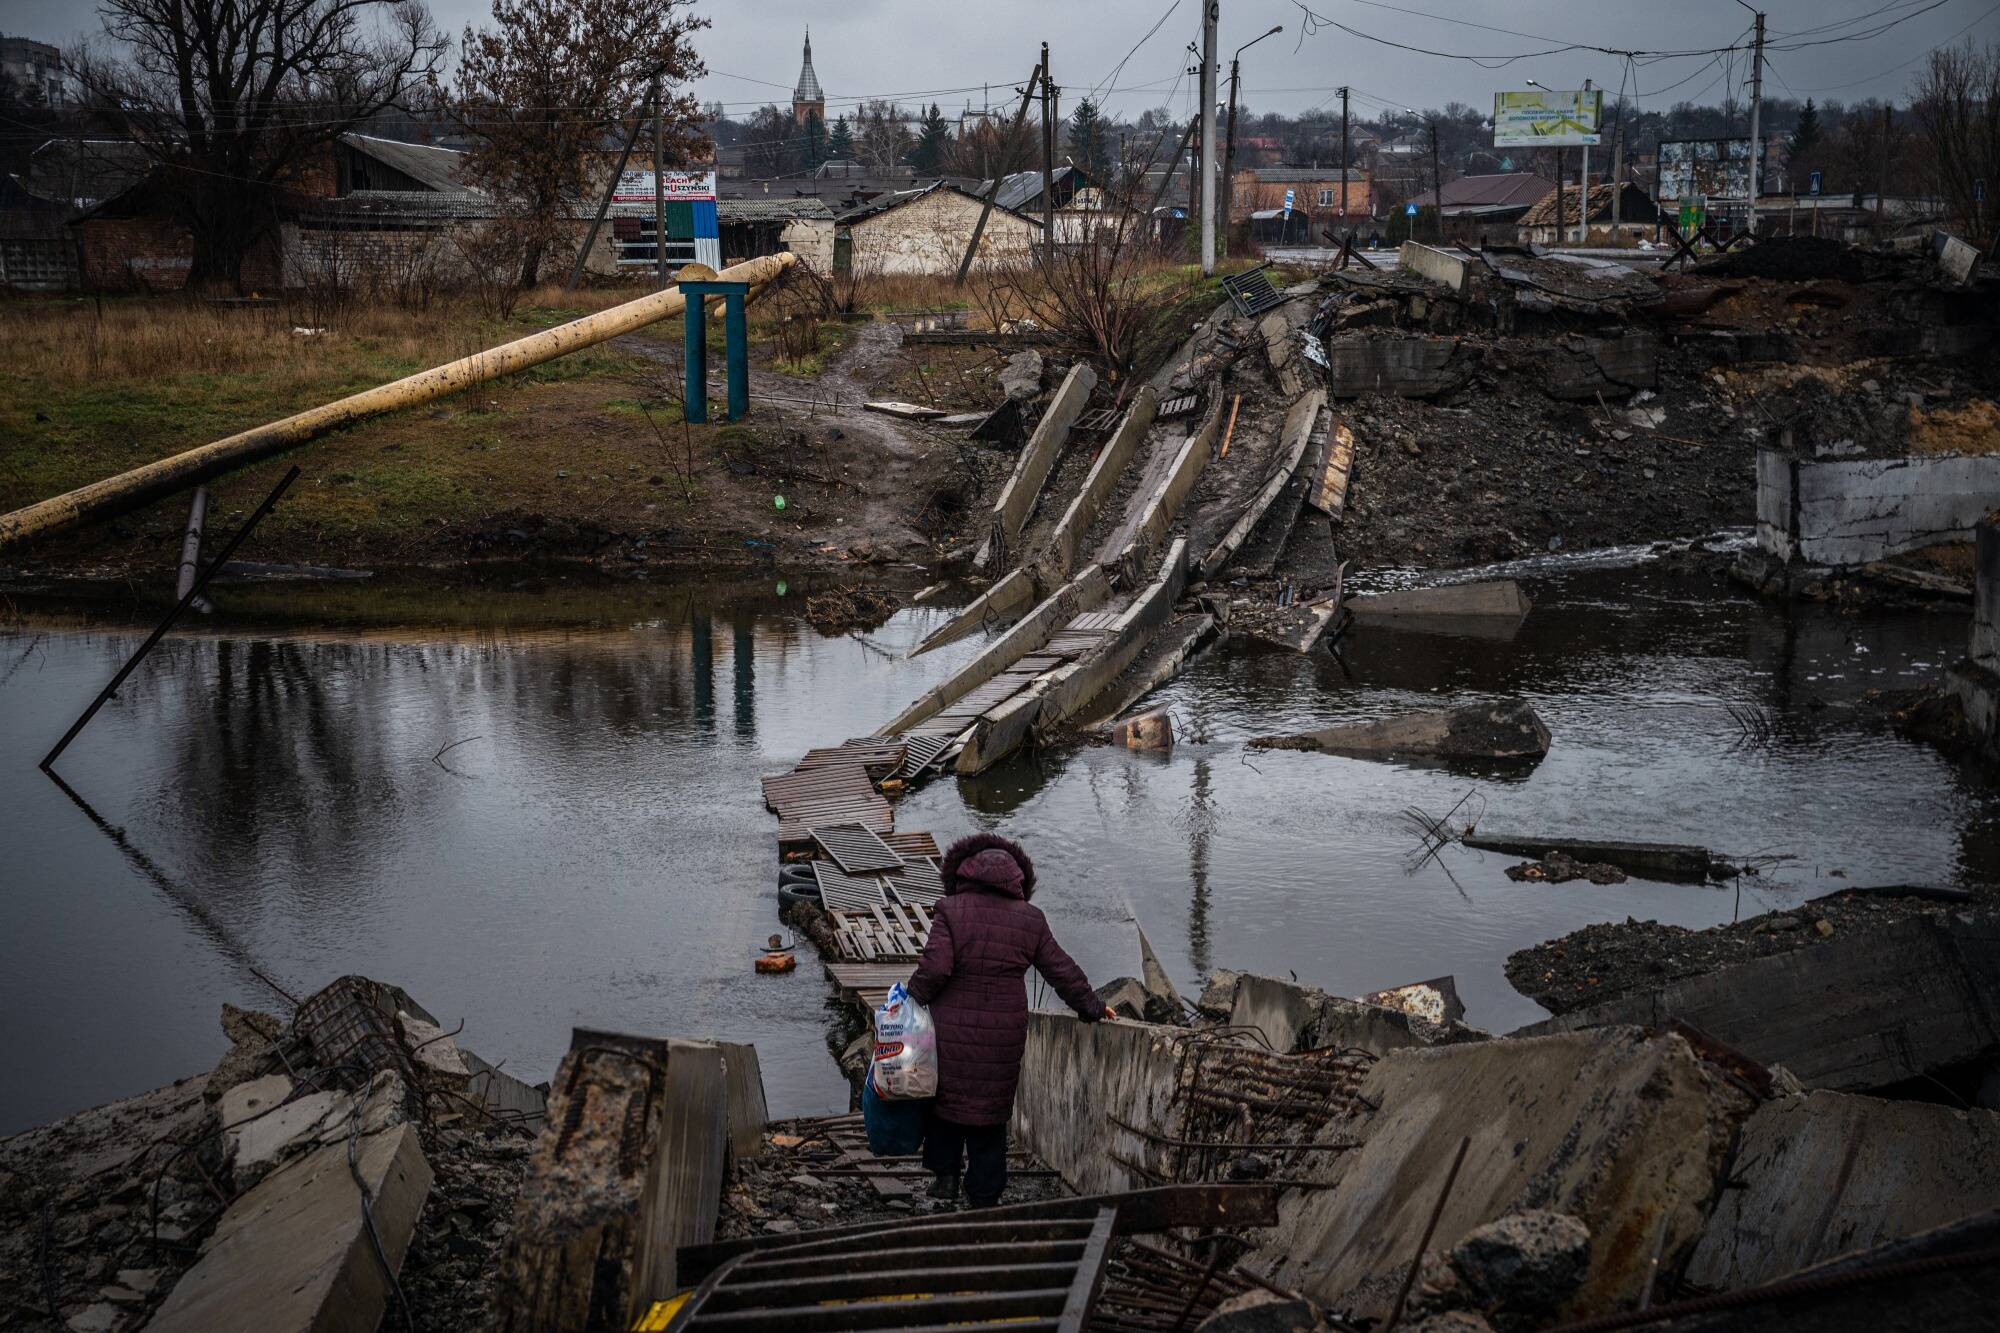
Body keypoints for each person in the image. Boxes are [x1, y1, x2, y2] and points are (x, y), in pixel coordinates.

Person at [905, 832, 1108, 1207]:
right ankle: (984, 1195)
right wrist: (1092, 1006)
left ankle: (946, 1177)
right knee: (991, 1109)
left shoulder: (950, 909)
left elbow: (935, 968)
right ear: (1020, 879)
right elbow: (1060, 969)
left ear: (962, 873)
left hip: (951, 1029)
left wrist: (910, 999)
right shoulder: (1031, 919)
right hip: (1004, 1032)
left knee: (945, 1102)